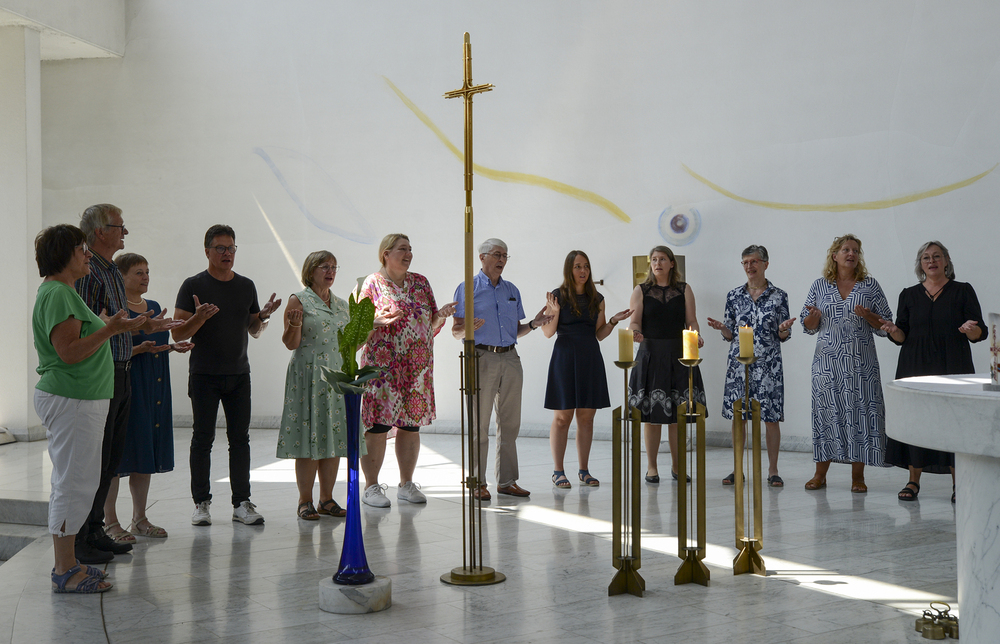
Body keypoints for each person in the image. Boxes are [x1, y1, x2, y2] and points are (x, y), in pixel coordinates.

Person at [34, 224, 142, 592]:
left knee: (77, 482)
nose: (87, 257)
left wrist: (112, 327)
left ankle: (69, 563)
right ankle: (65, 569)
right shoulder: (59, 293)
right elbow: (68, 352)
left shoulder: (63, 291)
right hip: (73, 399)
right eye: (82, 250)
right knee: (73, 484)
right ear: (65, 255)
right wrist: (109, 330)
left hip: (80, 399)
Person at [74, 204, 179, 563]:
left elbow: (115, 323)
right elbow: (89, 325)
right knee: (100, 458)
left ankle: (97, 531)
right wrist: (130, 329)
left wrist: (146, 325)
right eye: (120, 226)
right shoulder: (88, 271)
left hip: (120, 369)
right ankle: (88, 534)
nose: (125, 232)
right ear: (100, 232)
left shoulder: (108, 271)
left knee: (111, 457)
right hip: (101, 370)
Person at [172, 224, 281, 526]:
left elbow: (254, 330)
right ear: (207, 251)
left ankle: (241, 503)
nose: (227, 253)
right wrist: (198, 318)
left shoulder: (246, 286)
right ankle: (201, 503)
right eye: (220, 248)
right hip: (204, 374)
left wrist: (264, 316)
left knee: (240, 440)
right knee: (202, 439)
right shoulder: (192, 285)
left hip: (239, 374)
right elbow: (178, 334)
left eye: (231, 248)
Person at [880, 241, 986, 503]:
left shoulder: (963, 290)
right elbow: (902, 336)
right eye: (926, 257)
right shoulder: (908, 294)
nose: (932, 261)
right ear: (920, 264)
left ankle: (959, 483)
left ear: (946, 260)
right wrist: (893, 331)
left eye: (937, 256)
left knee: (955, 423)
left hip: (953, 366)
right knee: (916, 421)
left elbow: (979, 332)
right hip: (914, 366)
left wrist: (971, 330)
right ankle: (913, 480)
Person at [358, 234, 457, 508]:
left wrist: (441, 315)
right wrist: (376, 321)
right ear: (386, 254)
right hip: (382, 369)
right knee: (377, 426)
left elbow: (431, 322)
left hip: (417, 369)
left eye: (410, 249)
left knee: (411, 426)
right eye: (402, 249)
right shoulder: (372, 284)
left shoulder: (421, 282)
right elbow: (359, 327)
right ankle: (371, 486)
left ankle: (406, 484)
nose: (408, 254)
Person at [103, 254, 193, 543]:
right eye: (138, 272)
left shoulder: (153, 306)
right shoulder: (115, 311)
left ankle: (139, 519)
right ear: (121, 277)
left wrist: (173, 348)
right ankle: (110, 522)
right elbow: (107, 351)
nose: (145, 277)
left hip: (154, 384)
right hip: (127, 384)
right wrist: (139, 349)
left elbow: (155, 344)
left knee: (145, 451)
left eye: (147, 272)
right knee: (117, 455)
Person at [452, 238, 551, 500]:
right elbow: (456, 331)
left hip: (510, 359)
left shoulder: (511, 290)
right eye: (497, 254)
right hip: (481, 357)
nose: (502, 260)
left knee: (510, 424)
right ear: (482, 257)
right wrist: (468, 328)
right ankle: (477, 482)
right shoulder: (467, 288)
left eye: (505, 256)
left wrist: (534, 324)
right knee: (479, 424)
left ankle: (507, 481)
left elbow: (515, 330)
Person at [800, 234, 892, 493]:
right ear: (835, 256)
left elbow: (886, 324)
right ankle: (820, 474)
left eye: (855, 250)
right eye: (846, 250)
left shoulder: (869, 286)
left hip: (861, 366)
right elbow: (807, 326)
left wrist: (869, 315)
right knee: (826, 416)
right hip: (827, 366)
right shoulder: (820, 286)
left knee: (860, 416)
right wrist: (813, 317)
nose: (851, 254)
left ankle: (858, 477)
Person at [706, 245, 795, 488]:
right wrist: (722, 328)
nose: (749, 266)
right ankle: (738, 468)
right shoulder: (734, 296)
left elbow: (783, 335)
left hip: (768, 366)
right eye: (745, 262)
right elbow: (729, 334)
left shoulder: (779, 296)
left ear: (766, 264)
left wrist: (783, 329)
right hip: (739, 367)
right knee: (739, 417)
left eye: (754, 261)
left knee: (771, 418)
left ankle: (773, 471)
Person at [541, 250, 631, 488]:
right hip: (564, 357)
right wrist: (555, 311)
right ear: (569, 270)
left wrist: (613, 321)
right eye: (578, 266)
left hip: (590, 357)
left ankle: (584, 470)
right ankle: (558, 471)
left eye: (586, 266)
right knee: (562, 418)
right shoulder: (557, 296)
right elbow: (548, 332)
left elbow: (599, 334)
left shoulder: (597, 298)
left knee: (587, 418)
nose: (583, 271)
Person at [278, 251, 351, 519]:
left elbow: (349, 343)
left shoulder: (342, 304)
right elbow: (290, 343)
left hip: (335, 377)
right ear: (311, 271)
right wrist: (294, 324)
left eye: (334, 267)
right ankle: (305, 501)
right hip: (307, 377)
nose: (330, 271)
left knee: (332, 437)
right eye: (324, 267)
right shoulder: (298, 300)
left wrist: (371, 327)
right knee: (308, 439)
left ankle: (327, 499)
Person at [627, 245, 707, 483]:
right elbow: (634, 322)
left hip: (678, 355)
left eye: (662, 259)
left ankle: (677, 466)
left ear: (672, 263)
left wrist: (695, 336)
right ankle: (651, 467)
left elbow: (691, 321)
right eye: (654, 259)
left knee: (678, 416)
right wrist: (635, 332)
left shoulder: (684, 289)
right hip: (650, 355)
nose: (657, 263)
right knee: (652, 416)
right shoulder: (641, 290)